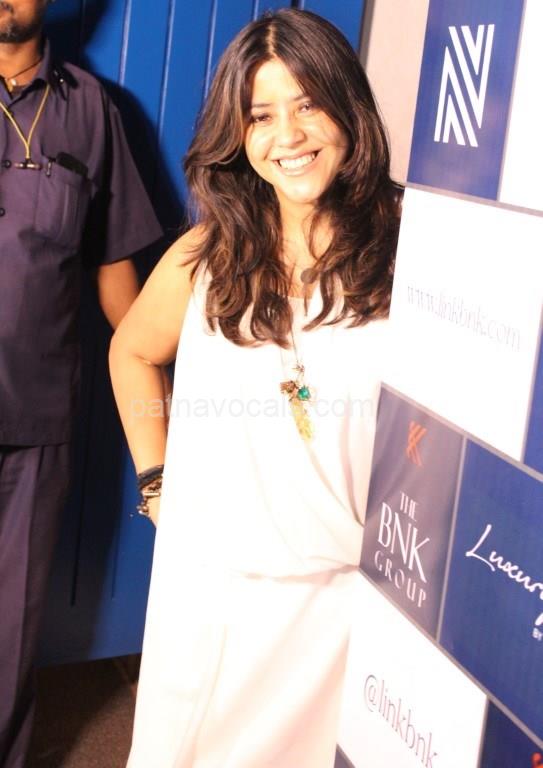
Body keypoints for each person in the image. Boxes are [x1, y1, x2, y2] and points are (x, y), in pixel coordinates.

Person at [110, 8, 402, 768]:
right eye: (261, 115)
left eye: (308, 104)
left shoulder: (412, 251)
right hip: (215, 595)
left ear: (348, 108)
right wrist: (156, 482)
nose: (288, 135)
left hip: (349, 602)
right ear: (237, 133)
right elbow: (131, 351)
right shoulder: (206, 254)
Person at [0, 1, 163, 766]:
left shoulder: (92, 109)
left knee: (11, 624)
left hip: (38, 419)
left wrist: (170, 399)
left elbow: (115, 275)